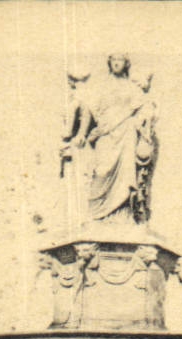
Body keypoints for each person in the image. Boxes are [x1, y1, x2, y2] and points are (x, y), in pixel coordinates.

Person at [62, 54, 158, 225]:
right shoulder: (101, 87)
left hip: (126, 134)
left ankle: (123, 216)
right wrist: (82, 133)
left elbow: (144, 108)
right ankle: (97, 214)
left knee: (126, 176)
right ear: (109, 63)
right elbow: (88, 110)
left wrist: (145, 119)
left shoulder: (133, 88)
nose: (116, 63)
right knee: (101, 171)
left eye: (120, 60)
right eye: (113, 59)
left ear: (125, 64)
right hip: (105, 135)